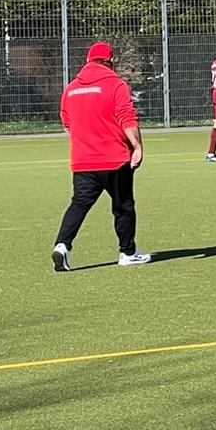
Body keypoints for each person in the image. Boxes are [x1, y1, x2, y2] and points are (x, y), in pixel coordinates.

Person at [52, 41, 149, 271]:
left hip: (83, 160)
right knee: (123, 205)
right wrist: (137, 147)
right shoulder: (116, 85)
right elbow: (127, 117)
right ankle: (128, 252)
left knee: (79, 204)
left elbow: (67, 122)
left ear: (88, 60)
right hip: (114, 159)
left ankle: (62, 246)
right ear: (111, 60)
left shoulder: (71, 89)